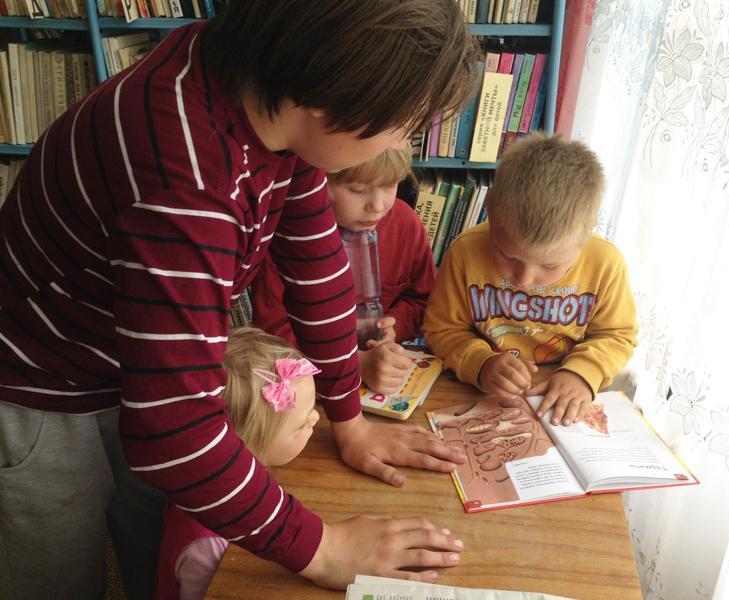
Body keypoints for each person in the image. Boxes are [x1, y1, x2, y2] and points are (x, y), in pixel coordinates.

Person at [0, 1, 479, 597]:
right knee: (57, 575)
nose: (403, 144)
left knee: (161, 551)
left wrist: (349, 419)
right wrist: (323, 547)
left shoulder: (270, 100)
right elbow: (175, 432)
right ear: (333, 94)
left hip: (140, 361)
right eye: (402, 125)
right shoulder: (185, 175)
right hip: (40, 386)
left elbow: (318, 271)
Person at [423, 134, 638, 427]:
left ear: (585, 237)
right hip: (480, 393)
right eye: (506, 255)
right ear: (490, 211)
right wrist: (481, 363)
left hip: (563, 399)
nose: (523, 279)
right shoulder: (465, 252)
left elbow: (617, 336)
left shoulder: (605, 264)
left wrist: (581, 373)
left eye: (549, 265)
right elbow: (442, 329)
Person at [251, 146, 437, 394]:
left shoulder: (406, 223)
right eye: (358, 190)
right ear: (319, 183)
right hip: (309, 385)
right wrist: (355, 365)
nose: (377, 205)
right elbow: (273, 332)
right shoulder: (287, 234)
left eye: (390, 185)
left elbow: (422, 299)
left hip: (385, 367)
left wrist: (395, 326)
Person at [155, 327, 322, 600]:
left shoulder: (203, 476)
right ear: (245, 443)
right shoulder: (209, 546)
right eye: (303, 422)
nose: (316, 418)